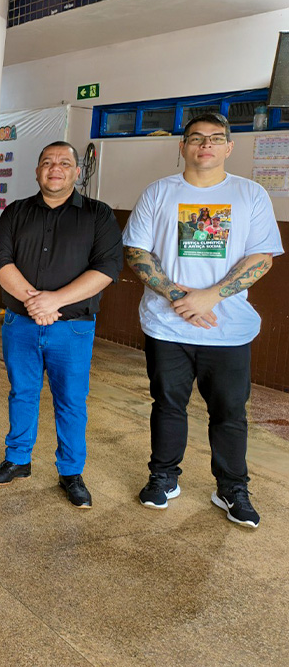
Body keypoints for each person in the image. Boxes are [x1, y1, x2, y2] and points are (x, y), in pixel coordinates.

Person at [123, 113, 282, 528]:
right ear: (183, 147)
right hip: (166, 325)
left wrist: (211, 296)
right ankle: (163, 477)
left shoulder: (250, 194)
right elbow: (137, 252)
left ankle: (232, 488)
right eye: (195, 138)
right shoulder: (159, 192)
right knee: (167, 404)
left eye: (214, 138)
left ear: (229, 147)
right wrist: (178, 296)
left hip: (227, 329)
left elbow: (262, 257)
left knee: (229, 412)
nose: (205, 145)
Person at [0, 141, 123, 509]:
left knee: (71, 400)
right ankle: (18, 460)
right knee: (22, 393)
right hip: (21, 324)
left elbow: (107, 268)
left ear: (77, 172)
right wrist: (36, 302)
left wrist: (55, 301)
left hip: (72, 328)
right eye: (47, 162)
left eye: (64, 162)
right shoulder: (16, 212)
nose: (55, 168)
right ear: (37, 171)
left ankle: (71, 472)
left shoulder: (98, 215)